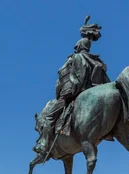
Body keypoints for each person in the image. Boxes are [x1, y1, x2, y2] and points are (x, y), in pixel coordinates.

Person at [33, 16, 109, 155]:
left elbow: (62, 79)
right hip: (90, 90)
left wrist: (60, 92)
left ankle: (43, 145)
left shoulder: (74, 59)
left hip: (72, 93)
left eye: (77, 46)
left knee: (49, 117)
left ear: (79, 46)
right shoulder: (97, 62)